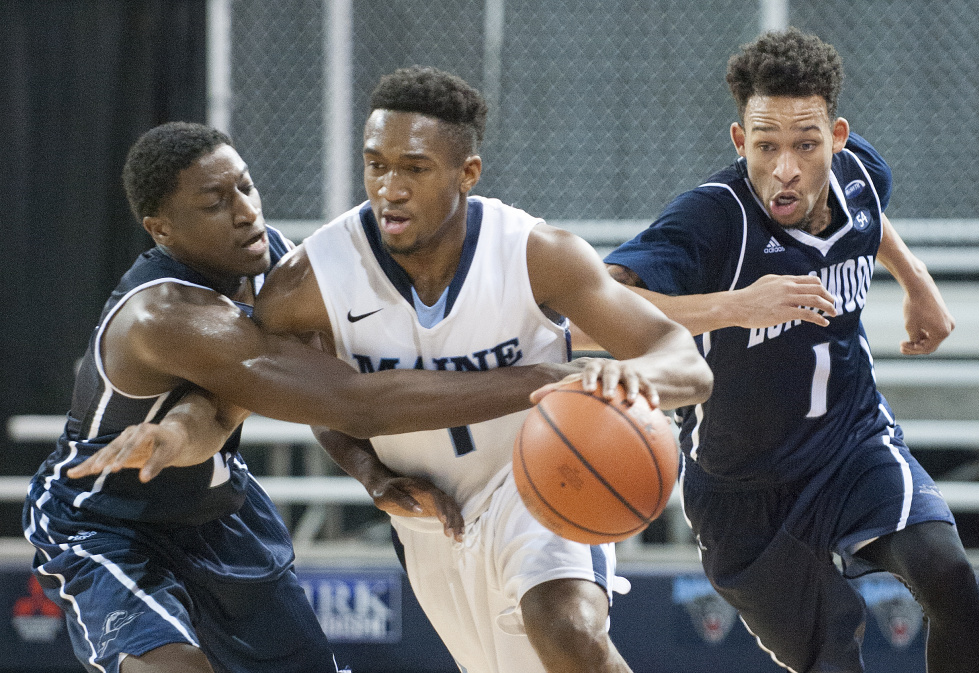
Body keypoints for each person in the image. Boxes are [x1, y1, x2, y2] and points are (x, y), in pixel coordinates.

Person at [23, 121, 604, 673]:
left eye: (245, 186)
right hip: (104, 520)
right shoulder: (162, 315)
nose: (247, 210)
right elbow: (350, 401)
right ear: (161, 230)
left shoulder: (274, 259)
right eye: (214, 203)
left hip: (220, 508)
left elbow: (300, 393)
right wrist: (539, 380)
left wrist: (368, 471)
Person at [290, 66, 712, 673]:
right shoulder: (321, 270)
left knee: (568, 629)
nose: (389, 188)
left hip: (542, 483)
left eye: (414, 168)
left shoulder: (535, 253)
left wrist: (632, 379)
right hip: (432, 521)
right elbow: (310, 390)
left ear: (467, 174)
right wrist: (366, 472)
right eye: (376, 165)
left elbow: (685, 361)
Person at [602, 28, 979, 673]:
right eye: (766, 146)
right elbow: (599, 309)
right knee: (831, 658)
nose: (785, 168)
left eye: (806, 145)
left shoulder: (861, 171)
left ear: (837, 138)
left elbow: (869, 212)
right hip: (739, 486)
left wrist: (915, 278)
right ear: (739, 141)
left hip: (852, 441)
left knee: (945, 571)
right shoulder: (714, 217)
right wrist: (736, 306)